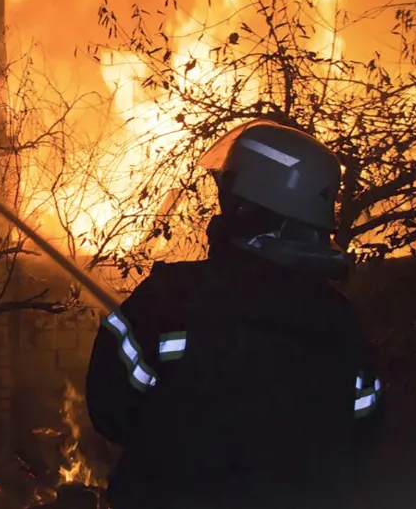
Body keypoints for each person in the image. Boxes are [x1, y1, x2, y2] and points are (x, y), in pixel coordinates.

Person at [85, 119, 384, 509]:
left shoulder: (173, 297)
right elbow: (363, 434)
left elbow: (111, 410)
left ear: (242, 205)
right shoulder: (340, 323)